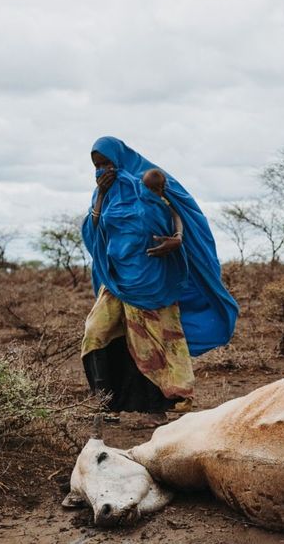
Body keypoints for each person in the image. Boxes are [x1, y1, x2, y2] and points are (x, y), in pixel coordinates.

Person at [80, 136, 239, 427]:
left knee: (151, 342)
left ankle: (157, 408)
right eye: (97, 166)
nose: (102, 170)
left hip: (152, 277)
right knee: (95, 331)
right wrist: (101, 197)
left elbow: (177, 211)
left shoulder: (147, 181)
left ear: (120, 159)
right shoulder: (103, 193)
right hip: (116, 279)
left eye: (106, 163)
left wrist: (177, 239)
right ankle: (105, 403)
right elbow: (93, 230)